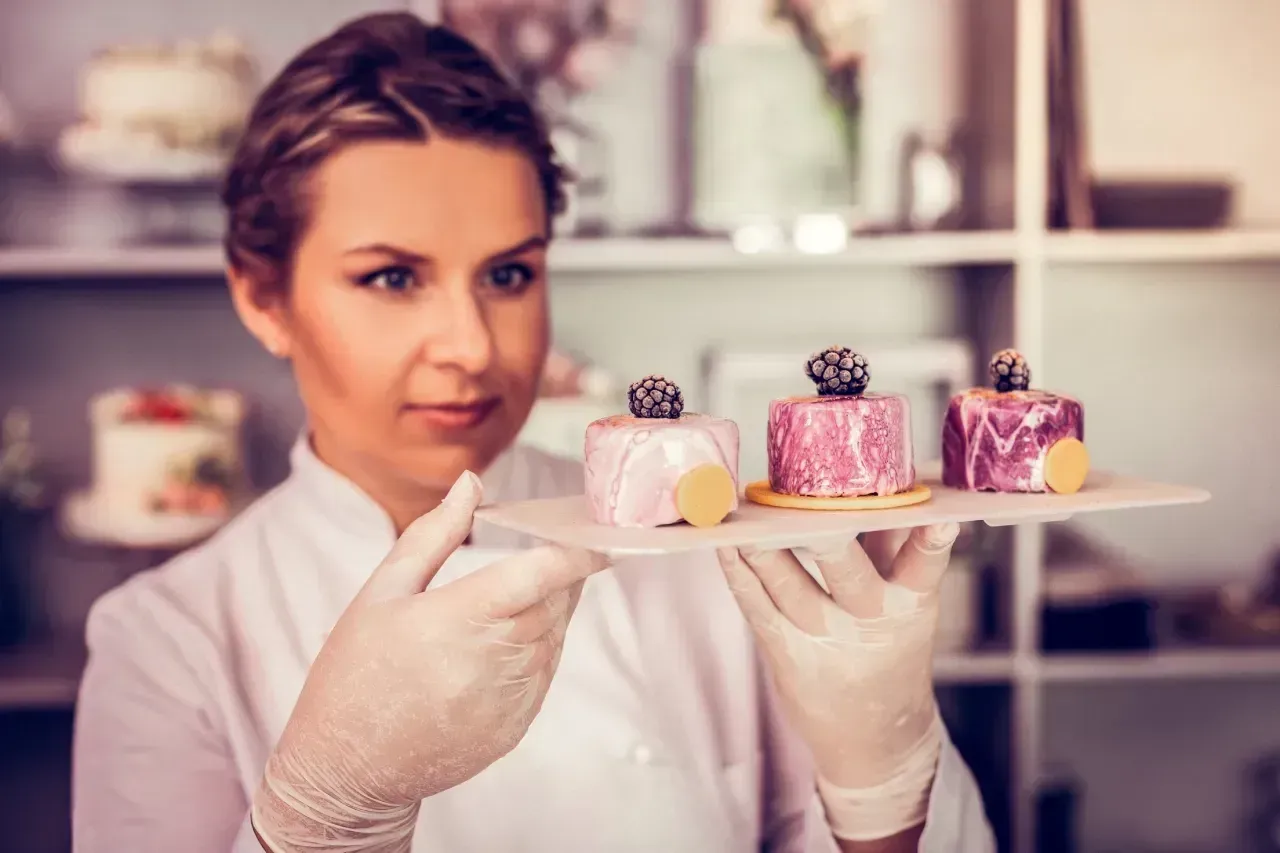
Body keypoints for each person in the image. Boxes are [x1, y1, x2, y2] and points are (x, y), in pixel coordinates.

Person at [71, 12, 995, 853]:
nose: (472, 347)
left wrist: (886, 775)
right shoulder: (168, 642)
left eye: (509, 275)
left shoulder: (697, 553)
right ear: (261, 296)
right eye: (393, 279)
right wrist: (320, 816)